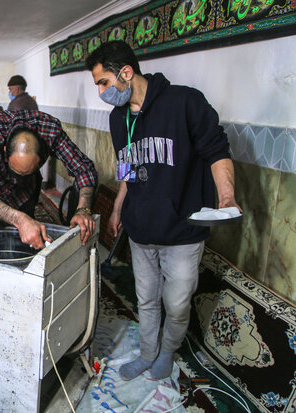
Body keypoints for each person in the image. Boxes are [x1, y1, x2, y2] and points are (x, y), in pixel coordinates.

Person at [86, 40, 241, 381]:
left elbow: (217, 151)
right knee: (146, 300)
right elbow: (126, 167)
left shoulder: (184, 102)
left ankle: (167, 352)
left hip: (182, 233)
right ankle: (147, 352)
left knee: (177, 303)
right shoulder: (118, 118)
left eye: (103, 82)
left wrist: (226, 197)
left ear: (126, 73)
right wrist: (117, 208)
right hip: (141, 232)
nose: (100, 91)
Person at [0, 110, 98, 249]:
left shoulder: (50, 130)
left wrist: (83, 209)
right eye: (16, 172)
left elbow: (85, 169)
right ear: (4, 150)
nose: (18, 179)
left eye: (26, 172)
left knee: (25, 242)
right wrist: (20, 219)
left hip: (26, 192)